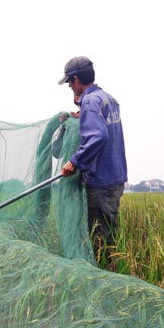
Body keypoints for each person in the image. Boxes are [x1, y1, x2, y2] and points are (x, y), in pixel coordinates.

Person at [57, 56, 127, 268]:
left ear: (77, 79)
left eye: (70, 81)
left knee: (100, 238)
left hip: (100, 181)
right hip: (115, 178)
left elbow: (98, 136)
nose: (69, 86)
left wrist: (74, 161)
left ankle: (104, 279)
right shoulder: (107, 99)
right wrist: (82, 117)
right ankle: (109, 271)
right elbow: (103, 128)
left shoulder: (90, 102)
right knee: (108, 230)